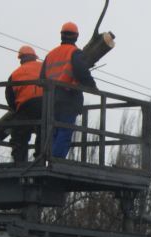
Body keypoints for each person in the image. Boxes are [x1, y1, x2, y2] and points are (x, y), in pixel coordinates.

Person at [40, 22, 97, 158]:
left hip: (51, 99)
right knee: (65, 131)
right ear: (76, 36)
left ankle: (49, 159)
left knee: (52, 130)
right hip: (68, 97)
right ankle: (57, 160)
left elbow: (41, 78)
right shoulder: (75, 53)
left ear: (61, 35)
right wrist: (93, 87)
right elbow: (81, 72)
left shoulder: (50, 55)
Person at [6, 45, 44, 163]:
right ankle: (40, 158)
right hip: (45, 103)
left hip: (26, 106)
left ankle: (19, 161)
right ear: (34, 57)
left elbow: (10, 97)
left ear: (21, 59)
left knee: (19, 134)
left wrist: (16, 109)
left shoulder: (15, 74)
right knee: (43, 131)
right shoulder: (44, 67)